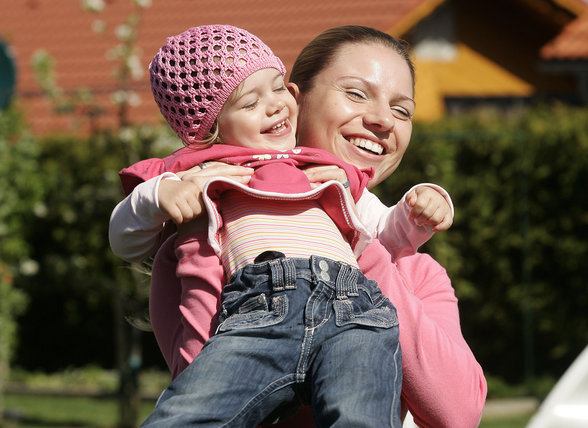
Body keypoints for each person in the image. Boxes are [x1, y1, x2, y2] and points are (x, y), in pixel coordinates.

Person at [111, 25, 486, 427]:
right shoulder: (210, 230)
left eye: (402, 110)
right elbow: (201, 378)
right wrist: (169, 198)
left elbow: (459, 413)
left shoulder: (418, 273)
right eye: (356, 93)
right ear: (298, 97)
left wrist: (359, 237)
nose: (382, 120)